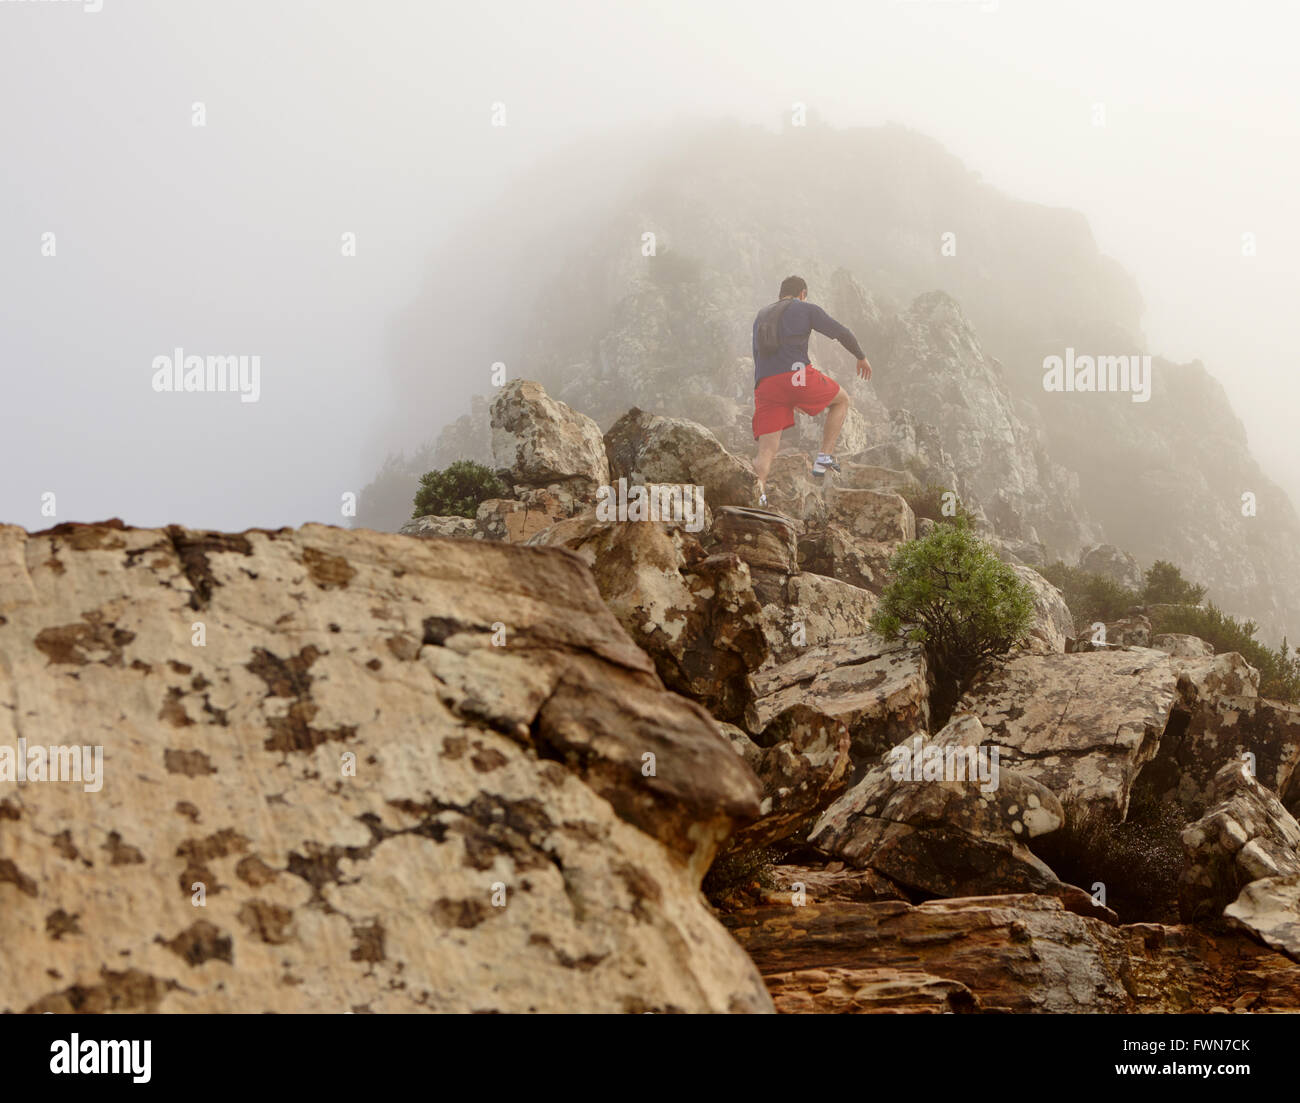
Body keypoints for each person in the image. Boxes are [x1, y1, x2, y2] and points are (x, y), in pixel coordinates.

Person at [751, 275, 872, 506]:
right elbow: (841, 332)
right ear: (803, 293)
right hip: (797, 376)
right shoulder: (806, 308)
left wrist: (771, 387)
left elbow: (757, 353)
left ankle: (758, 498)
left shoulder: (761, 315)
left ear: (780, 294)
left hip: (765, 384)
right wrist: (861, 356)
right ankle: (824, 458)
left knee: (765, 451)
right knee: (842, 400)